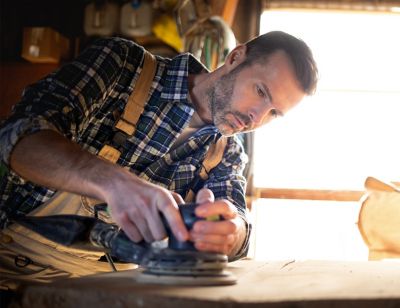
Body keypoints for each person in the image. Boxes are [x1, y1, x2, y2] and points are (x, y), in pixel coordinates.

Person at [0, 30, 318, 287]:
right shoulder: (124, 66)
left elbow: (239, 227)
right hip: (10, 260)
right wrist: (114, 183)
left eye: (274, 113)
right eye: (261, 92)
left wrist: (229, 231)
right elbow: (19, 133)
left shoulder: (227, 152)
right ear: (235, 58)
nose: (257, 117)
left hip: (101, 288)